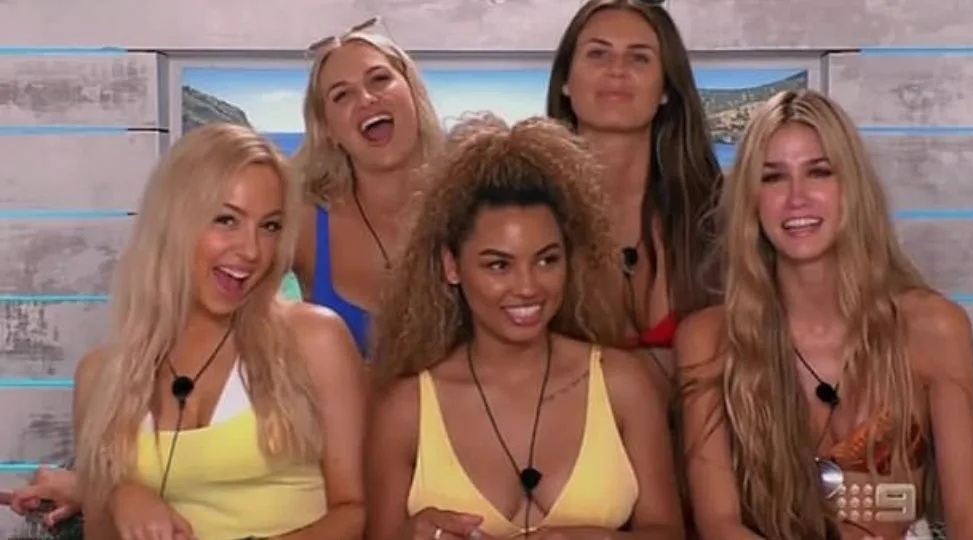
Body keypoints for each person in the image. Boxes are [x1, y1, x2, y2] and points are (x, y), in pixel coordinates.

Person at [677, 89, 973, 539]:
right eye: (773, 178)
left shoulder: (934, 328)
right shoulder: (707, 340)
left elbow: (968, 522)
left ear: (852, 188)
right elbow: (720, 526)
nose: (797, 198)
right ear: (751, 201)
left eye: (819, 172)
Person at [365, 114, 684, 540]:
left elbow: (668, 531)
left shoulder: (623, 385)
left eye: (547, 260)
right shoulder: (405, 410)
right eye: (499, 265)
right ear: (451, 266)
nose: (529, 287)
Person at [70, 123, 367, 539]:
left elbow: (355, 514)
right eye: (227, 220)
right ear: (173, 223)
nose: (252, 250)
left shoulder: (315, 340)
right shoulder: (100, 377)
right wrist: (119, 496)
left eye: (270, 226)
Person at [547, 0, 722, 390]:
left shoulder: (716, 214)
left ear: (666, 89)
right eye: (598, 54)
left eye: (639, 58)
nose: (617, 70)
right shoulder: (528, 210)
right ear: (565, 82)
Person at [291, 17, 445, 359]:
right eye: (341, 95)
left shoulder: (471, 208)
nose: (365, 99)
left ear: (413, 94)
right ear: (328, 130)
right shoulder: (303, 224)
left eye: (379, 79)